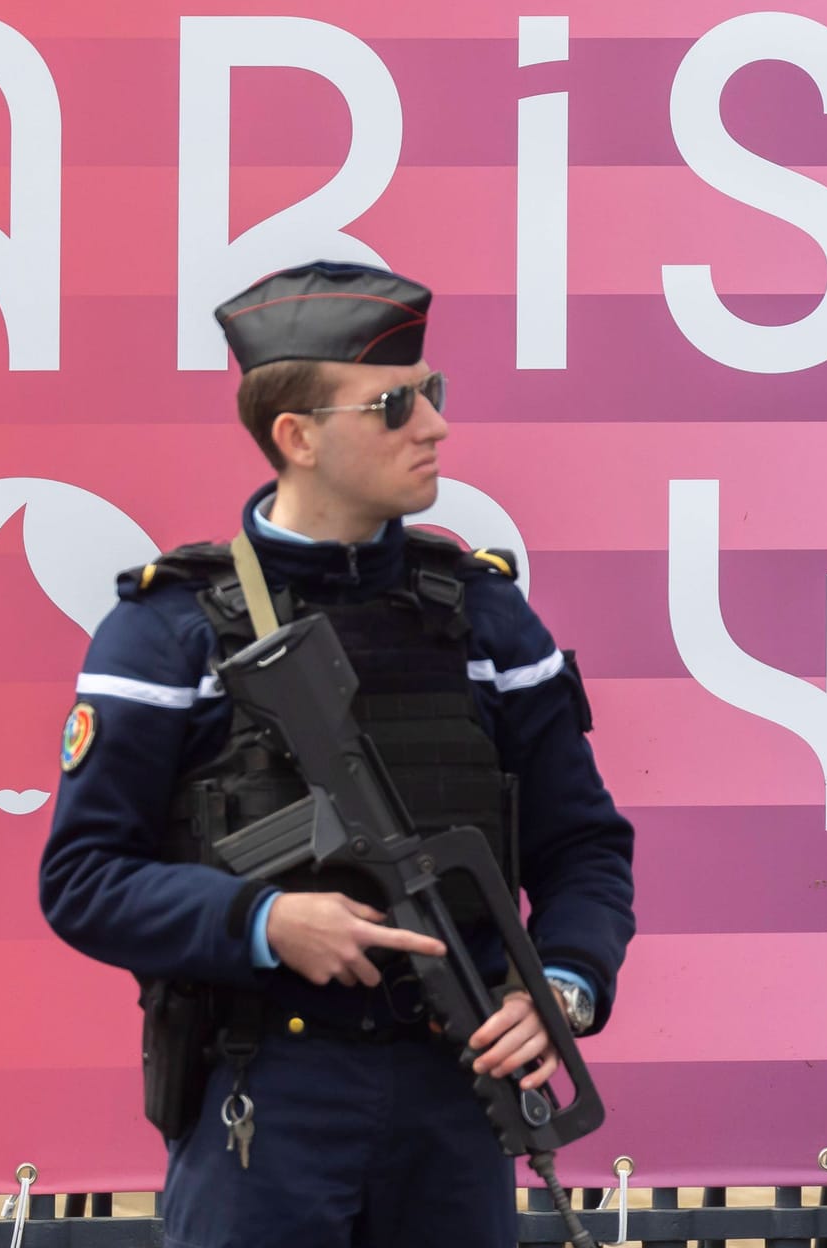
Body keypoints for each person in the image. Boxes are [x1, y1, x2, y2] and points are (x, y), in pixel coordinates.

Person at [38, 263, 635, 1247]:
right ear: (297, 436)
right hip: (269, 1094)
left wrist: (561, 985)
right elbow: (85, 878)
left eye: (433, 395)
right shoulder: (171, 630)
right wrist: (267, 919)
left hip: (459, 1086)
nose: (434, 426)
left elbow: (585, 847)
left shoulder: (484, 615)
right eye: (395, 405)